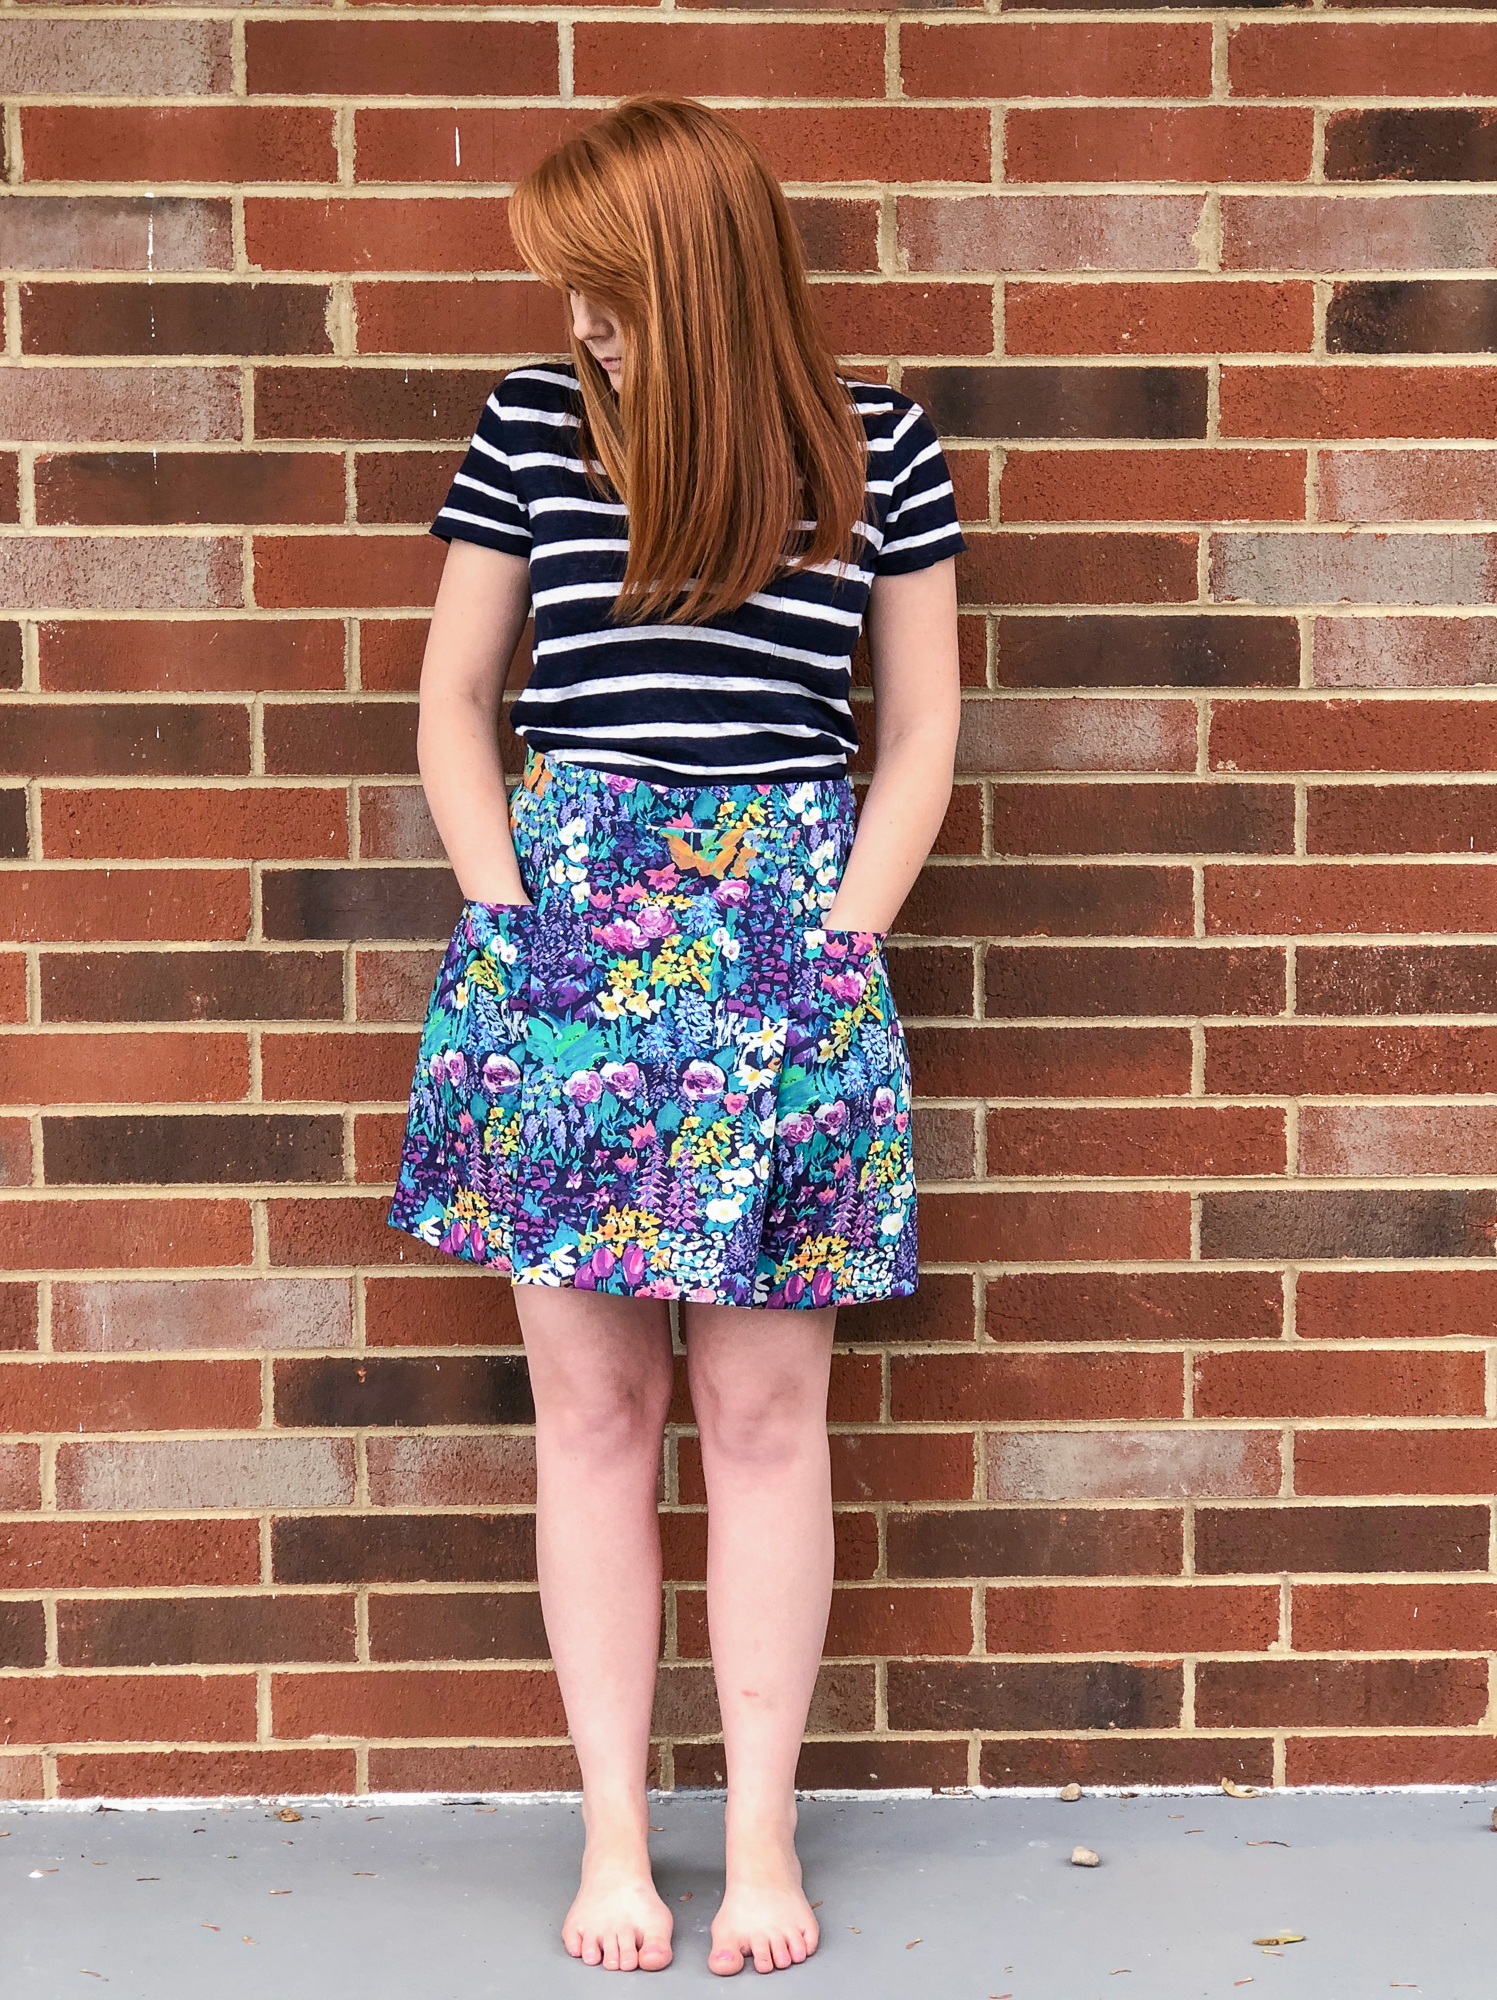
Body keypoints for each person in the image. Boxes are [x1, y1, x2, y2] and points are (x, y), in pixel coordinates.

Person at [387, 94, 965, 1977]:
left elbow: (920, 728)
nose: (582, 327)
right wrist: (505, 917)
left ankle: (765, 1841)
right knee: (593, 1413)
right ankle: (618, 1841)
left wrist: (844, 937)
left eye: (609, 292)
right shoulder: (531, 428)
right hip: (566, 936)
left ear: (695, 274)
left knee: (767, 1414)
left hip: (791, 938)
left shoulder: (874, 445)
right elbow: (456, 699)